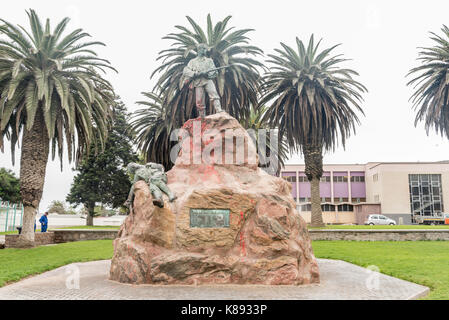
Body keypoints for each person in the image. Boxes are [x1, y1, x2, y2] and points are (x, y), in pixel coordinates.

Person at [181, 43, 223, 117]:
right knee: (199, 101)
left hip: (207, 81)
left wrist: (208, 74)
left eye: (205, 49)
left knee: (214, 94)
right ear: (199, 50)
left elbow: (214, 71)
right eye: (203, 49)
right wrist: (196, 74)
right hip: (198, 83)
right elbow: (185, 71)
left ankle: (219, 110)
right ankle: (202, 116)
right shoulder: (192, 62)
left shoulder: (209, 61)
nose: (205, 50)